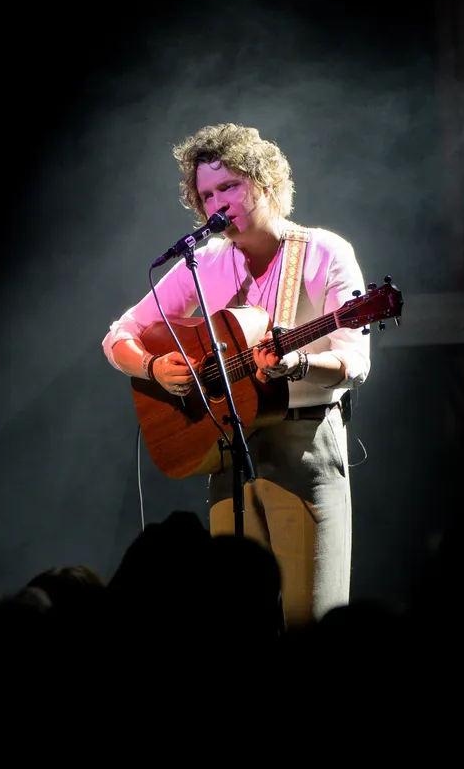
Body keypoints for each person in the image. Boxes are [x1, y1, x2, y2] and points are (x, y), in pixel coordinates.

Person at [100, 123, 371, 630]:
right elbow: (120, 335)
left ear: (265, 183)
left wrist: (298, 363)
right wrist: (154, 367)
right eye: (206, 194)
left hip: (304, 446)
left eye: (229, 186)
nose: (216, 203)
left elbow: (354, 362)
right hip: (228, 448)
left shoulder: (324, 252)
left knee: (307, 618)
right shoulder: (204, 262)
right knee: (234, 623)